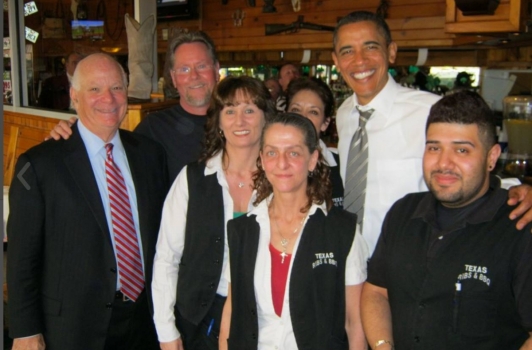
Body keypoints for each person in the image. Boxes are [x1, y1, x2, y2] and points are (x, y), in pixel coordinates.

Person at [332, 10, 532, 253]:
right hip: (350, 261)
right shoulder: (344, 114)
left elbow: (476, 166)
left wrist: (516, 190)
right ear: (336, 60)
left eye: (370, 47)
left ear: (391, 51)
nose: (359, 60)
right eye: (347, 51)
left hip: (412, 258)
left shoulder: (430, 110)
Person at [7, 53, 168, 350]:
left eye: (117, 88)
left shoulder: (149, 154)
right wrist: (25, 330)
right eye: (94, 89)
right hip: (72, 327)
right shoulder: (41, 165)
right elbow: (21, 257)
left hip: (144, 321)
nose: (108, 98)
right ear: (74, 96)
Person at [361, 91, 532, 350]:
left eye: (462, 150)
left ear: (492, 157)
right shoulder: (403, 212)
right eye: (434, 147)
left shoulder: (518, 227)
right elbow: (376, 291)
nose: (443, 163)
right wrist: (383, 345)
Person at [219, 113, 369, 350]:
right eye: (271, 152)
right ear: (262, 159)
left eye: (294, 153)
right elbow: (231, 311)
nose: (281, 163)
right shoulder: (242, 230)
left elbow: (354, 323)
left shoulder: (343, 232)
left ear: (312, 160)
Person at [152, 76, 276, 350]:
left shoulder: (282, 180)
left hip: (266, 319)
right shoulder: (192, 179)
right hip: (198, 322)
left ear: (265, 117)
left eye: (249, 110)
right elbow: (167, 258)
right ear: (218, 121)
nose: (239, 121)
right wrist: (166, 330)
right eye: (229, 111)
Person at [48, 31, 220, 182]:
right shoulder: (154, 128)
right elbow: (105, 149)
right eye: (184, 69)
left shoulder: (238, 122)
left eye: (202, 66)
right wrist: (73, 133)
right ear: (173, 78)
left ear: (216, 70)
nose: (194, 76)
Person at [286, 77, 344, 208]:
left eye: (313, 112)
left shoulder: (342, 165)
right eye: (296, 110)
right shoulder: (271, 164)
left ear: (325, 123)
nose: (303, 117)